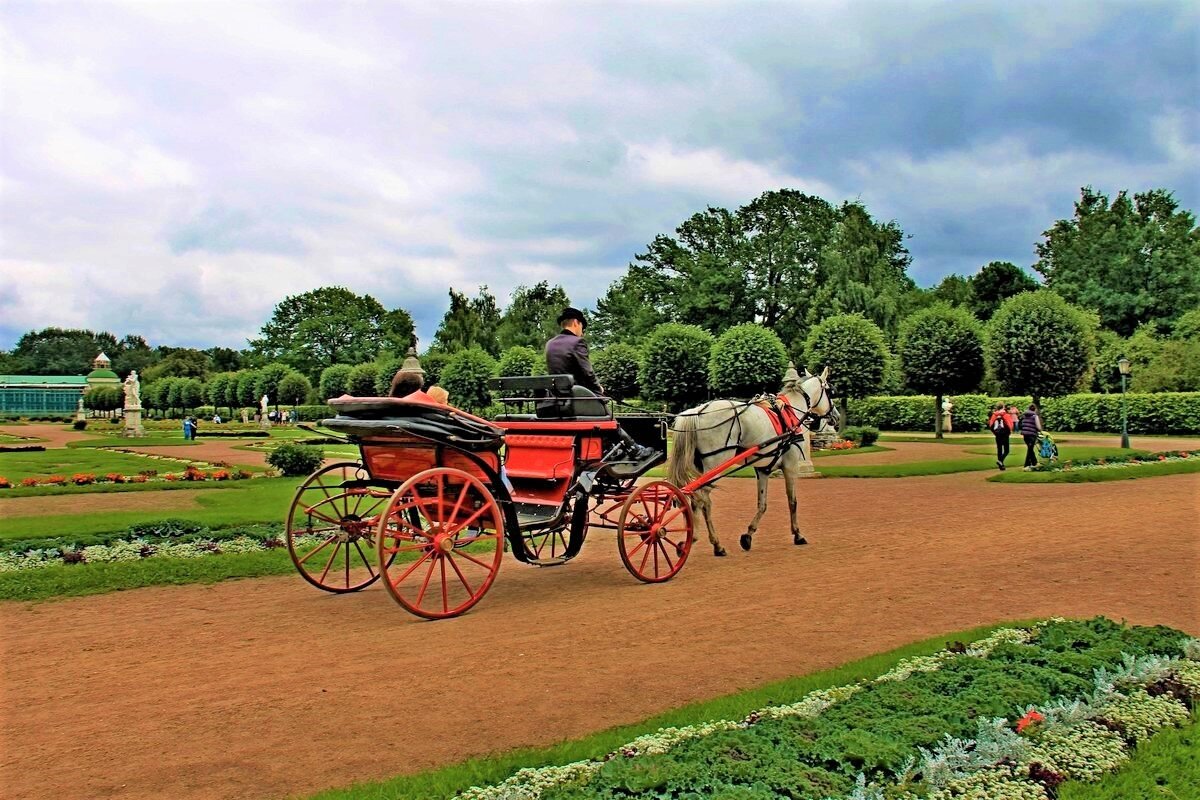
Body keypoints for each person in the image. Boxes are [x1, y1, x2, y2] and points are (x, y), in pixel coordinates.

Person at [545, 307, 654, 461]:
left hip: (556, 399)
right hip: (576, 398)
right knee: (607, 416)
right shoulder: (577, 342)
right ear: (576, 323)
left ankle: (610, 448)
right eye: (582, 327)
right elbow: (588, 373)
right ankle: (634, 449)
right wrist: (599, 391)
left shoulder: (550, 344)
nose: (582, 332)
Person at [987, 402, 1011, 470]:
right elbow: (1009, 424)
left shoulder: (994, 415)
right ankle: (1000, 461)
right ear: (1003, 407)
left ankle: (1001, 465)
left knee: (999, 449)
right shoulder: (1005, 414)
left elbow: (991, 425)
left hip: (998, 434)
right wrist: (1009, 432)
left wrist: (995, 433)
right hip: (1005, 434)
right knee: (1007, 450)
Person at [1019, 403, 1043, 470]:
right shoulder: (1035, 416)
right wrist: (1040, 430)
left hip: (1025, 434)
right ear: (1035, 409)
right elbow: (1038, 427)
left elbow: (1022, 424)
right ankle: (1026, 465)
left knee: (1030, 449)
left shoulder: (1024, 416)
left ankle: (1034, 463)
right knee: (1030, 449)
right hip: (1032, 434)